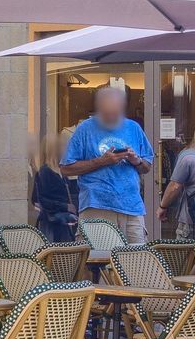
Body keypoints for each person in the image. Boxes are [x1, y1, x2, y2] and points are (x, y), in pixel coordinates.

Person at [59, 85, 155, 244]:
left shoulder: (133, 128)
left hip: (131, 207)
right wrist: (101, 161)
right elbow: (65, 168)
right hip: (97, 206)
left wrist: (135, 160)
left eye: (116, 110)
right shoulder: (85, 129)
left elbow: (147, 166)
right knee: (96, 262)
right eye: (107, 110)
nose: (112, 114)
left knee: (136, 261)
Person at [29, 136, 79, 242]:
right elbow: (39, 200)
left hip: (63, 223)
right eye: (62, 147)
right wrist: (65, 206)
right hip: (52, 223)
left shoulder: (61, 172)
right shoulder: (45, 172)